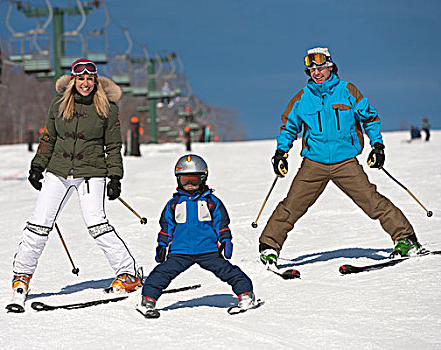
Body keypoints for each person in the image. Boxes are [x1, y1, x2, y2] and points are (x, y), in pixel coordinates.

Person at [258, 47, 423, 270]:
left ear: (331, 67)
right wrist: (281, 153)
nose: (316, 73)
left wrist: (377, 146)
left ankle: (405, 239)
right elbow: (288, 127)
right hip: (314, 163)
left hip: (345, 162)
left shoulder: (348, 91)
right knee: (292, 205)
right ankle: (269, 246)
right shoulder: (302, 99)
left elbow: (371, 118)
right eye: (311, 69)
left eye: (320, 68)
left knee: (372, 202)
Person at [8, 59, 142, 311]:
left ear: (96, 81)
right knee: (39, 223)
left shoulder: (107, 108)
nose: (85, 83)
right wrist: (38, 166)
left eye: (90, 79)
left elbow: (113, 146)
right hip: (58, 170)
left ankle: (128, 274)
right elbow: (48, 138)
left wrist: (115, 177)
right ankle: (21, 277)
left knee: (96, 223)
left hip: (92, 173)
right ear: (73, 81)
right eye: (80, 79)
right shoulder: (58, 105)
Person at [136, 154, 257, 318]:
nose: (190, 185)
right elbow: (166, 226)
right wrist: (162, 245)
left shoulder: (212, 202)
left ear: (203, 178)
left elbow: (221, 223)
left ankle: (246, 295)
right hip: (180, 251)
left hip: (207, 250)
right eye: (185, 180)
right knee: (161, 274)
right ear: (178, 180)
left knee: (229, 272)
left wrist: (226, 240)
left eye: (194, 180)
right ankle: (148, 301)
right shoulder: (174, 204)